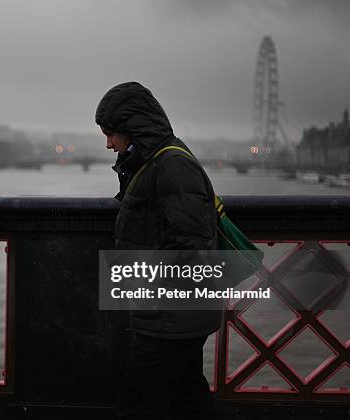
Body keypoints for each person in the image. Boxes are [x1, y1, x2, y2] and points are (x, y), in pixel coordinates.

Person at [95, 81, 224, 419]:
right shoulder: (153, 162)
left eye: (110, 134)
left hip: (169, 317)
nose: (108, 144)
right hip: (176, 315)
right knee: (187, 401)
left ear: (131, 129)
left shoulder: (170, 166)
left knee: (138, 407)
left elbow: (191, 245)